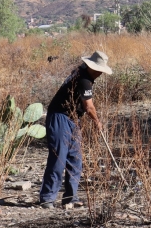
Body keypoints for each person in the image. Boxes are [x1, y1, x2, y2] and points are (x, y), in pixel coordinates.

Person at [39, 51, 112, 209]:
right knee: (59, 158)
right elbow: (88, 106)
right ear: (92, 67)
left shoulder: (83, 74)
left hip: (73, 119)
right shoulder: (84, 79)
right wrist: (97, 122)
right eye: (99, 69)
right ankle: (47, 198)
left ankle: (71, 198)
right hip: (60, 117)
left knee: (75, 158)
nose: (100, 73)